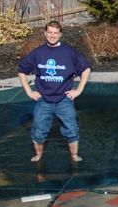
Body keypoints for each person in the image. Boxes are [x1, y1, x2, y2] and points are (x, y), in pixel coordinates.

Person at [17, 21, 91, 163]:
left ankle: (74, 156)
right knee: (39, 130)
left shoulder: (69, 52)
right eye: (50, 32)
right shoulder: (38, 53)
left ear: (60, 34)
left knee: (71, 129)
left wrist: (79, 90)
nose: (52, 35)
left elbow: (86, 69)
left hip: (64, 99)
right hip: (43, 100)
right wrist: (29, 92)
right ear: (45, 33)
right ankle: (38, 156)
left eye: (55, 33)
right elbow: (22, 70)